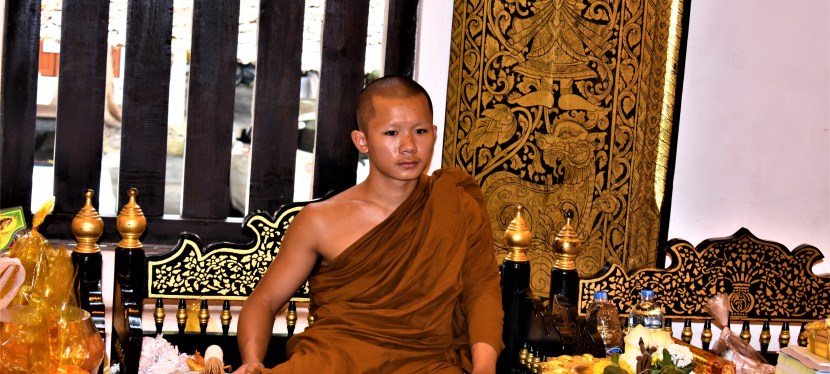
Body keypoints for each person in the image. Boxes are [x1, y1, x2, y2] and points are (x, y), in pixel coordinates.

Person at [234, 76, 503, 373]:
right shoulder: (320, 220)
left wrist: (484, 369)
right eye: (391, 133)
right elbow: (264, 300)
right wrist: (252, 361)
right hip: (334, 361)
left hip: (424, 362)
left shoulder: (455, 205)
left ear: (434, 134)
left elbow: (482, 292)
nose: (409, 146)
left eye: (420, 131)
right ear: (362, 141)